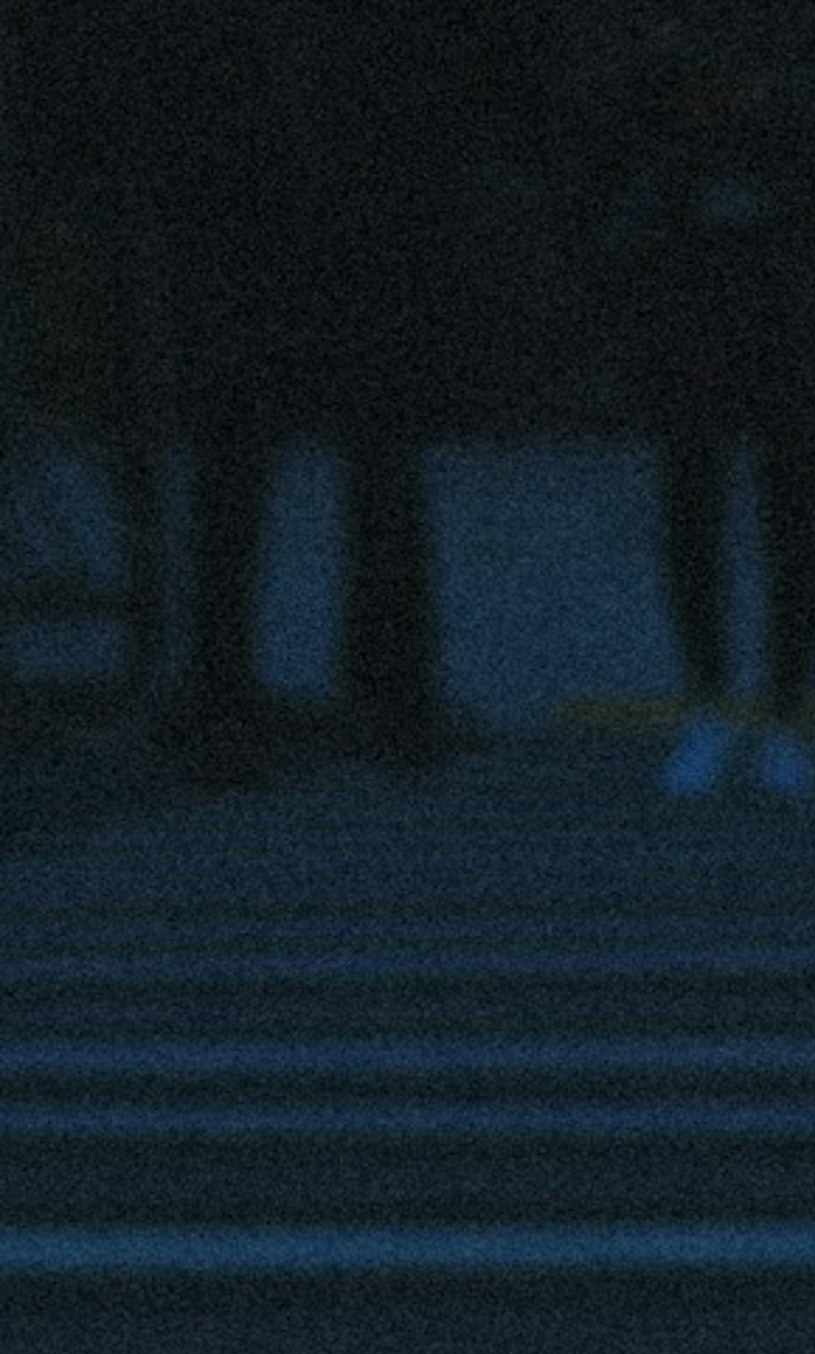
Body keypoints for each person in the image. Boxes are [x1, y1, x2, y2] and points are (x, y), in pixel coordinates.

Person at [134, 0, 534, 785]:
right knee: (355, 463)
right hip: (327, 212)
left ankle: (261, 700)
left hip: (277, 217)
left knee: (264, 468)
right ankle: (372, 698)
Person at [577, 1, 815, 797]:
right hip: (696, 283)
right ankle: (719, 704)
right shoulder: (673, 67)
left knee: (787, 505)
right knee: (701, 502)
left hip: (778, 281)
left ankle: (778, 711)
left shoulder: (785, 63)